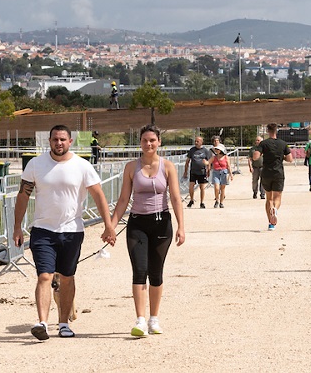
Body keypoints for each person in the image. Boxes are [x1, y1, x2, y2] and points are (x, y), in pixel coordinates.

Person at [12, 124, 117, 340]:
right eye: (54, 140)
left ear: (70, 142)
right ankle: (42, 322)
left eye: (62, 140)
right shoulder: (36, 164)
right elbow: (23, 195)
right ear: (49, 141)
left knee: (67, 277)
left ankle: (63, 323)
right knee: (44, 275)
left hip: (72, 231)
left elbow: (98, 196)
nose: (58, 143)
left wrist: (108, 226)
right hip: (43, 230)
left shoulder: (82, 166)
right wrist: (17, 227)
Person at [109, 126, 186, 337]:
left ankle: (154, 318)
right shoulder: (131, 167)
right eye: (145, 140)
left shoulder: (168, 166)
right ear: (140, 143)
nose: (148, 144)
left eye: (152, 140)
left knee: (156, 272)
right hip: (137, 224)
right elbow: (123, 199)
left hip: (161, 224)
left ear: (159, 142)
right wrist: (111, 226)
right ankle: (140, 320)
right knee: (139, 270)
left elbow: (176, 198)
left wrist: (181, 226)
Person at [252, 123, 293, 230]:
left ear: (267, 131)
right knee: (277, 197)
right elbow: (290, 159)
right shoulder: (283, 144)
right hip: (278, 173)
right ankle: (275, 209)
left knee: (268, 198)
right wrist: (281, 157)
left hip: (266, 173)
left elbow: (255, 157)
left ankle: (270, 223)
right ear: (276, 131)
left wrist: (262, 153)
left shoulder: (263, 143)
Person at [182, 136, 212, 208]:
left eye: (197, 141)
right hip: (193, 171)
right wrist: (185, 171)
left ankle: (202, 202)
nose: (196, 143)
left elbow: (209, 162)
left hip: (202, 172)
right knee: (191, 186)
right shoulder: (192, 150)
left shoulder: (205, 151)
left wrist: (208, 170)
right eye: (195, 141)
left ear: (201, 142)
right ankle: (191, 200)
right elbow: (187, 161)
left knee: (202, 187)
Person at [209, 142, 231, 208]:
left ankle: (221, 202)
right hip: (216, 172)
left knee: (223, 189)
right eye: (216, 149)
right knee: (216, 187)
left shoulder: (225, 157)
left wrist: (231, 174)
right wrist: (205, 163)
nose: (216, 150)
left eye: (218, 149)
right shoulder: (214, 157)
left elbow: (228, 166)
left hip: (224, 172)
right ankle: (217, 200)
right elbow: (208, 162)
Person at [248, 135, 265, 200]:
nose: (257, 141)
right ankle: (255, 192)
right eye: (256, 140)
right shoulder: (252, 149)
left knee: (263, 181)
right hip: (255, 167)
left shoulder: (265, 149)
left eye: (258, 140)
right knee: (255, 181)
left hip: (263, 167)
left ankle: (262, 194)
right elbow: (249, 159)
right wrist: (250, 167)